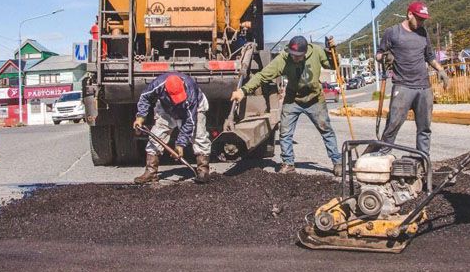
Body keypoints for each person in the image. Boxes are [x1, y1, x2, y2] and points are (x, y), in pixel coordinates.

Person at [230, 35, 342, 175]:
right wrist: (243, 90)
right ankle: (288, 163)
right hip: (293, 99)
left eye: (297, 56)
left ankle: (337, 162)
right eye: (292, 54)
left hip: (315, 99)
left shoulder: (317, 52)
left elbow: (333, 65)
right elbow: (263, 75)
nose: (294, 58)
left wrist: (332, 51)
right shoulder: (284, 58)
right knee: (285, 133)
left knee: (326, 131)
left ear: (306, 52)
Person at [374, 1, 449, 156]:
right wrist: (385, 57)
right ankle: (383, 155)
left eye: (423, 19)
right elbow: (379, 54)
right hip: (403, 86)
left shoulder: (423, 33)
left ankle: (423, 158)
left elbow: (429, 56)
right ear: (409, 14)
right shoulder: (393, 32)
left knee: (425, 127)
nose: (421, 22)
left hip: (424, 88)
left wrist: (441, 70)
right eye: (419, 18)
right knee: (393, 124)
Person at [132, 72, 211, 184]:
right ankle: (150, 172)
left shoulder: (191, 90)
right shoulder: (158, 85)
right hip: (166, 108)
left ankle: (203, 171)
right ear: (165, 90)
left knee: (199, 136)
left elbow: (190, 121)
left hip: (194, 109)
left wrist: (180, 145)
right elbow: (145, 97)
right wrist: (140, 117)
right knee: (156, 136)